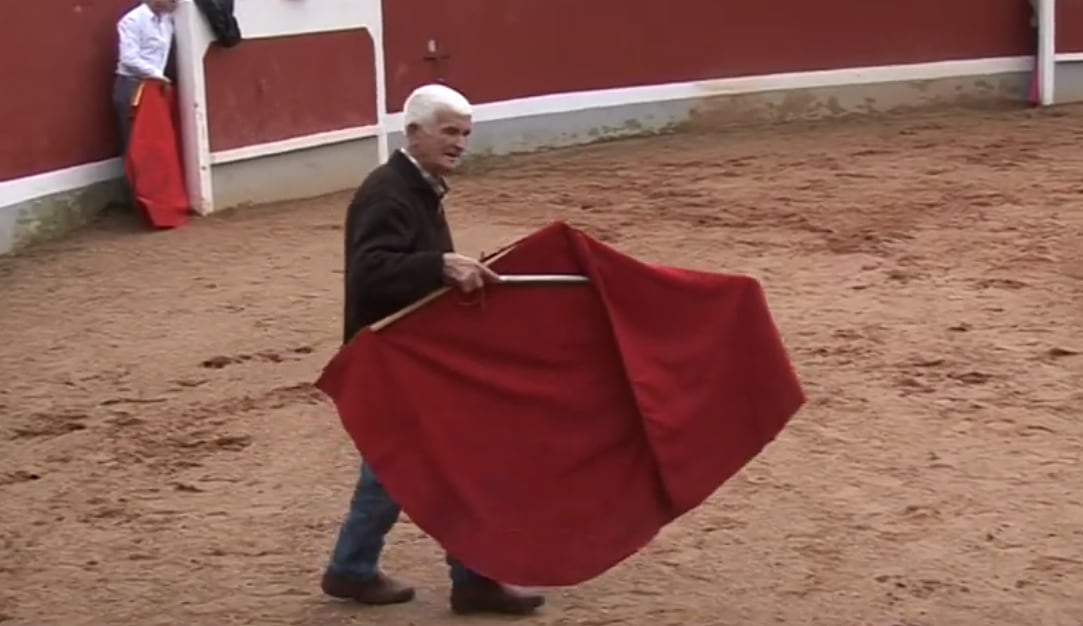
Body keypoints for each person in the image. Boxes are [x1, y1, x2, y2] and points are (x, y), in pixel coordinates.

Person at [320, 83, 547, 616]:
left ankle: (354, 569)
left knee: (394, 467)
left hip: (406, 354)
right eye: (449, 132)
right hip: (395, 356)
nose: (460, 143)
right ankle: (468, 580)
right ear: (415, 132)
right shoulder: (388, 192)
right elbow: (370, 273)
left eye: (466, 133)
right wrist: (440, 265)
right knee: (446, 462)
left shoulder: (415, 186)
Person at [114, 0, 176, 152]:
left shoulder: (167, 20)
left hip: (155, 86)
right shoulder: (132, 20)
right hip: (133, 85)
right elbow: (128, 59)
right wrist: (157, 75)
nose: (175, 2)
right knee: (136, 141)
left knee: (155, 139)